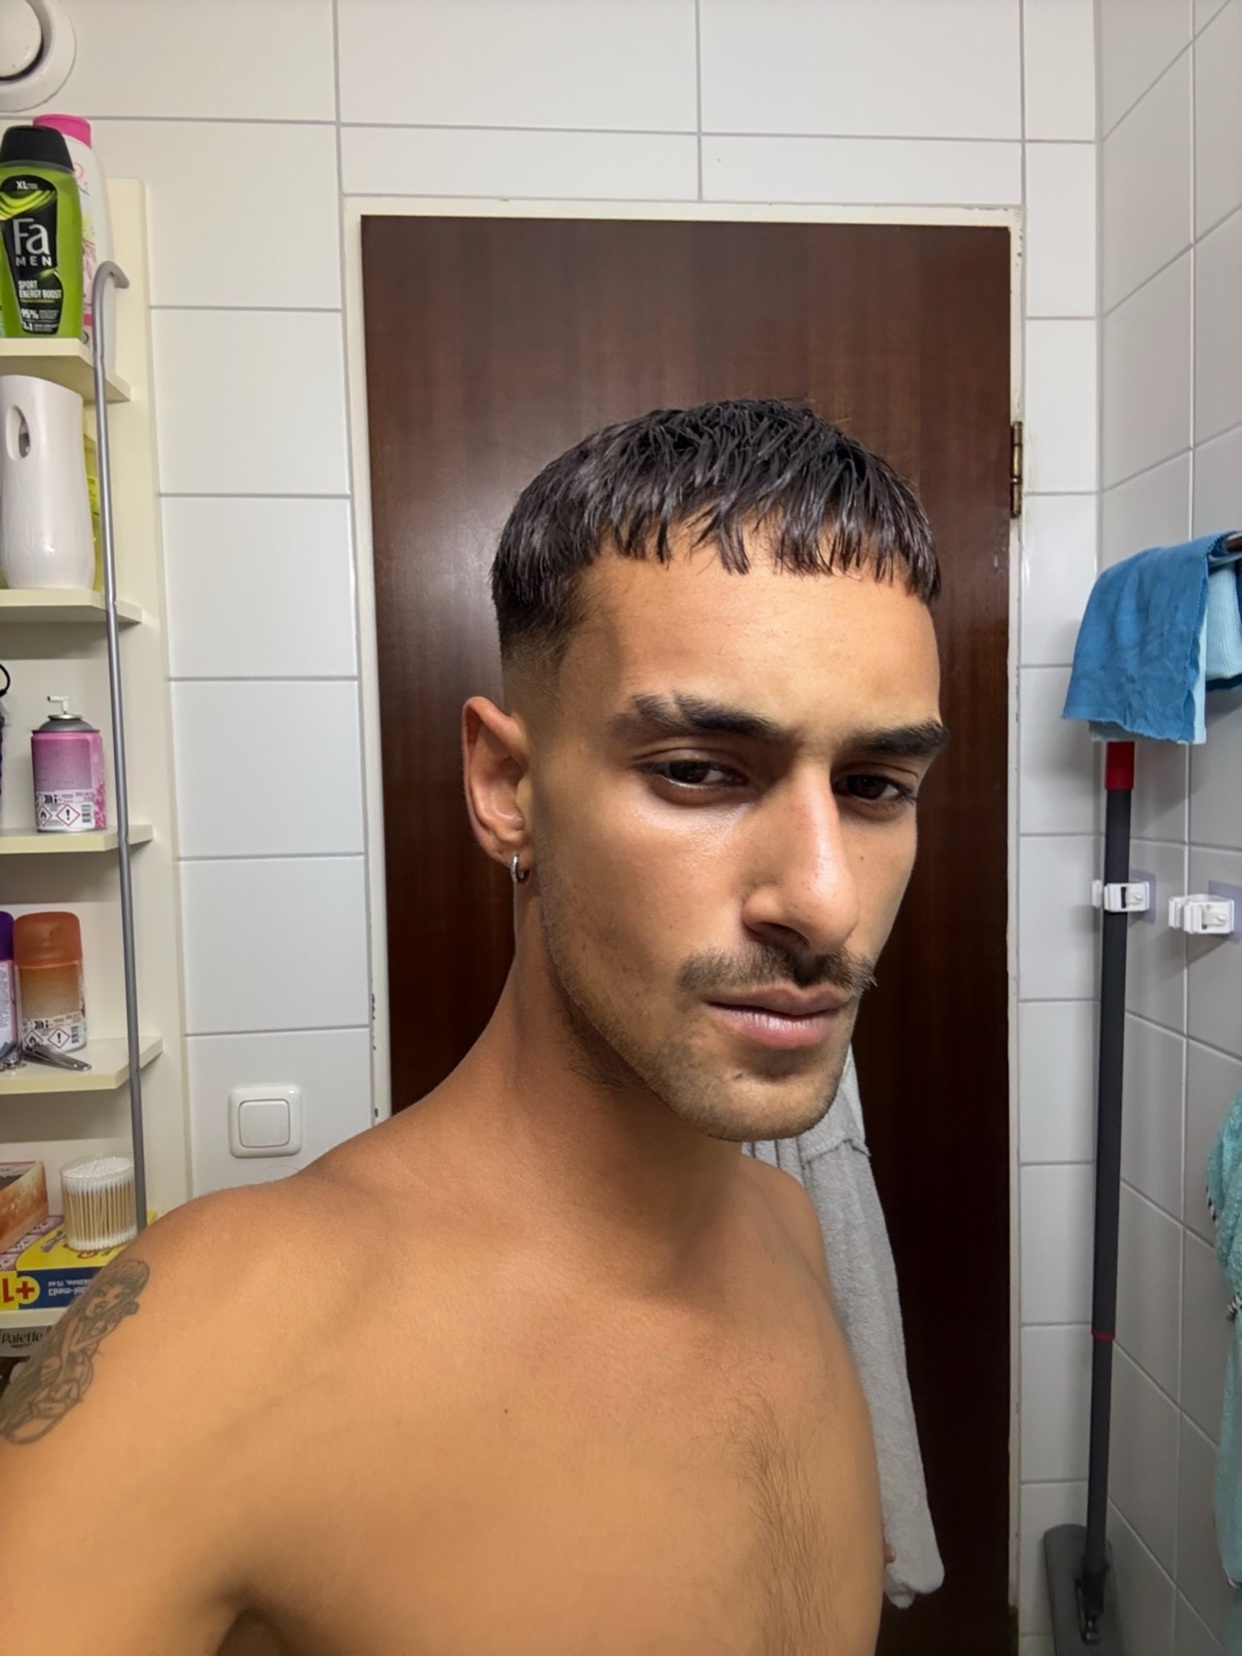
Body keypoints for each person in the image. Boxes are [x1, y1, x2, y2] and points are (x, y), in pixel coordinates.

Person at [0, 399, 946, 1656]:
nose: (826, 902)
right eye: (699, 770)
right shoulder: (207, 1345)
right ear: (506, 788)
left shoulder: (789, 1230)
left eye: (876, 787)